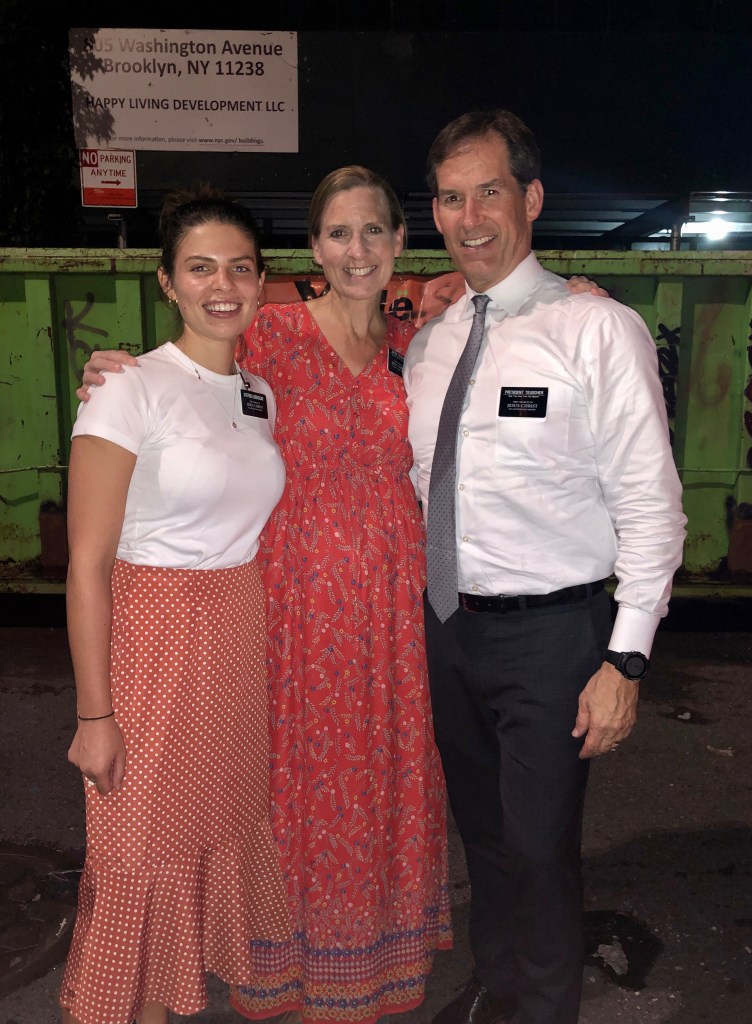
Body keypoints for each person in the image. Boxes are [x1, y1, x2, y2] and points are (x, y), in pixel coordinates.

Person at [76, 167, 605, 1024]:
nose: (356, 250)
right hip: (292, 604)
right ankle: (282, 964)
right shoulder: (269, 333)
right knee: (290, 779)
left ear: (399, 242)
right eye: (336, 234)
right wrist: (116, 367)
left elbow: (504, 315)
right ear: (314, 250)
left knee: (383, 774)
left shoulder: (422, 340)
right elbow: (191, 368)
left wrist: (574, 292)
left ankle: (371, 960)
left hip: (396, 605)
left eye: (372, 232)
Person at [403, 110, 687, 1024]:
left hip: (554, 636)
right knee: (484, 838)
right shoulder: (431, 343)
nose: (470, 216)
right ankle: (498, 986)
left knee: (537, 848)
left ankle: (544, 1007)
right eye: (451, 197)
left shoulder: (597, 330)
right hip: (448, 627)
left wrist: (625, 659)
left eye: (489, 191)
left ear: (530, 198)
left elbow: (653, 507)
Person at [61, 185, 291, 1024]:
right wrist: (95, 716)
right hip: (151, 633)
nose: (222, 285)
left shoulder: (259, 392)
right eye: (200, 268)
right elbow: (86, 565)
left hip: (233, 631)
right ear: (167, 281)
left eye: (239, 267)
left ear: (261, 280)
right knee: (138, 848)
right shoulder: (130, 387)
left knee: (195, 843)